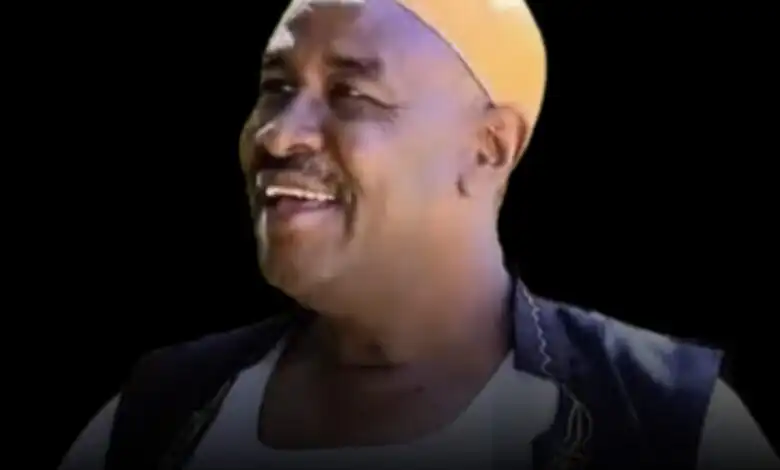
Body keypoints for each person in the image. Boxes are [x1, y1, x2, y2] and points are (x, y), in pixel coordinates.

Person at [59, 1, 778, 469]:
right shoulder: (159, 416)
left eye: (350, 94)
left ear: (489, 147)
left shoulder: (667, 422)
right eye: (276, 88)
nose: (277, 135)